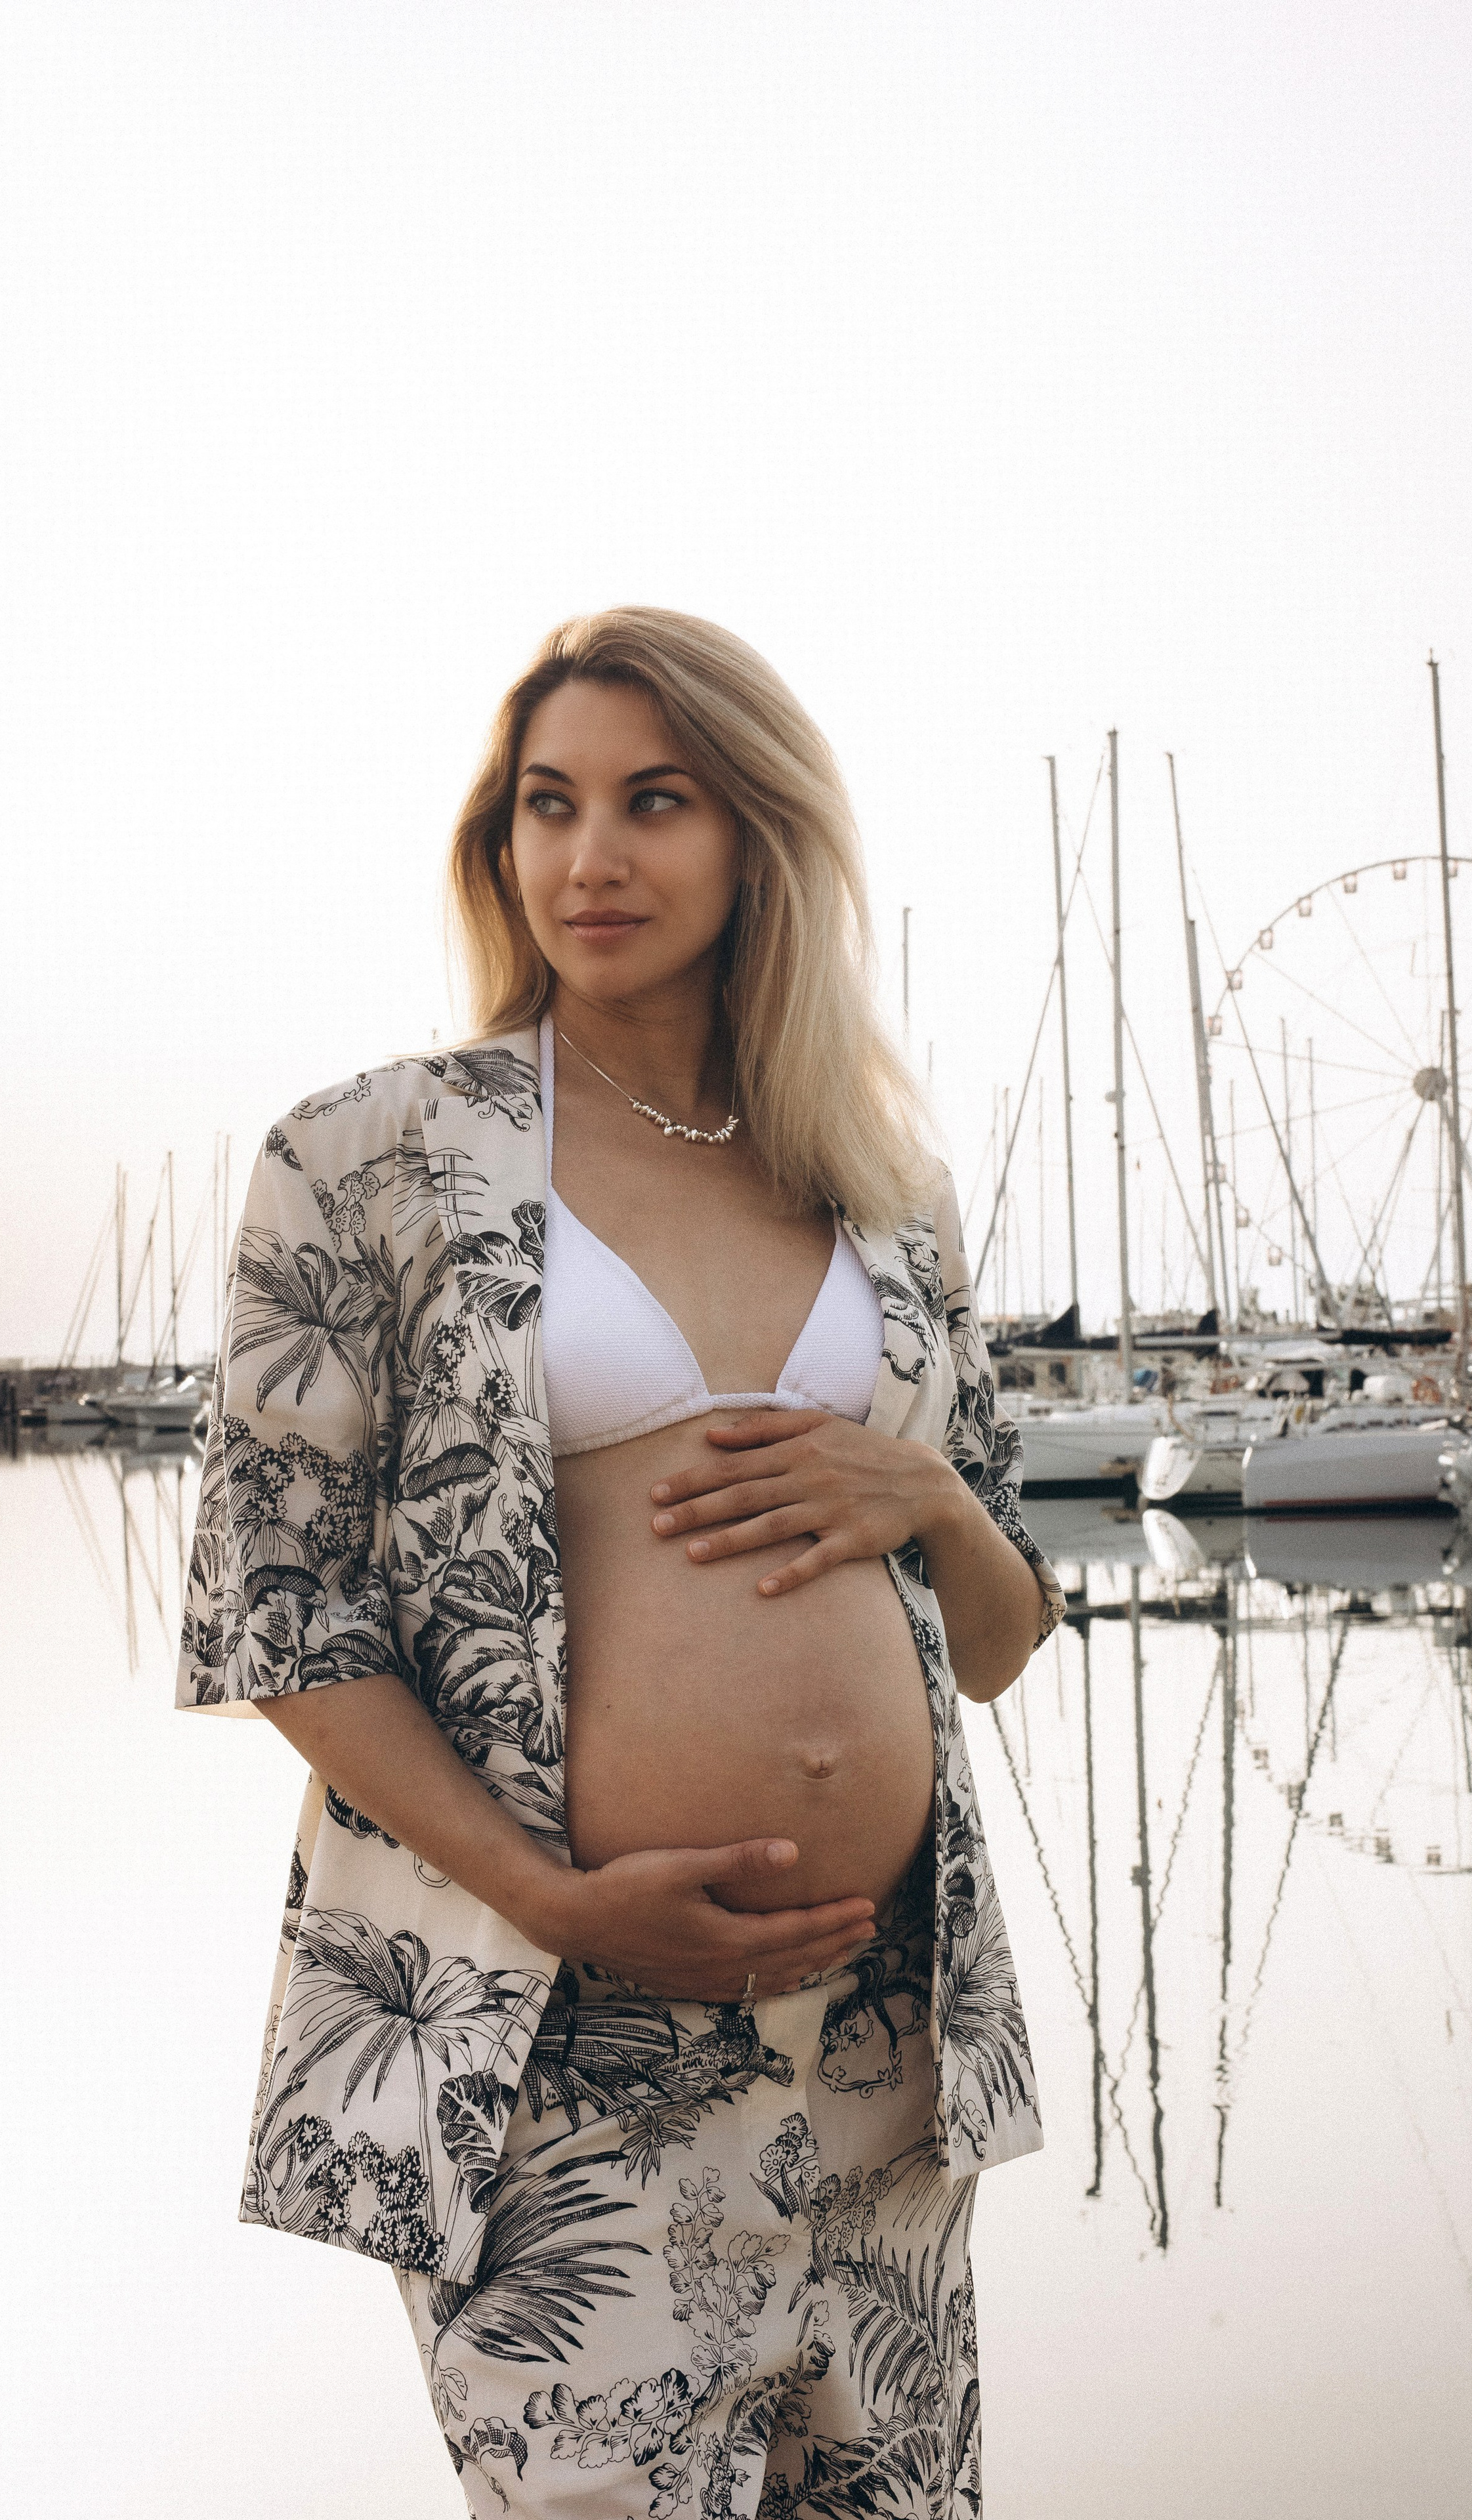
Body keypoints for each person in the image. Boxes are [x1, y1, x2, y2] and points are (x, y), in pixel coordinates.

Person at [178, 606, 1064, 2519]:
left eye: (655, 803)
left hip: (876, 2050)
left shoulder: (882, 1193)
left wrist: (930, 1502)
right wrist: (556, 1898)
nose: (590, 858)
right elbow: (275, 1609)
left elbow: (999, 1643)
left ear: (758, 835)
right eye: (545, 805)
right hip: (551, 2045)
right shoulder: (370, 1156)